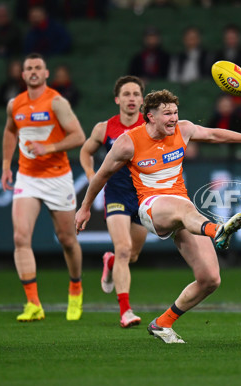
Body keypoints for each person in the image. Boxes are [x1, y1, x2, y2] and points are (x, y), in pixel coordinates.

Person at [75, 89, 241, 343]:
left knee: (210, 279)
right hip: (151, 207)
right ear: (150, 117)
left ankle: (163, 323)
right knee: (184, 208)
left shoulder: (183, 129)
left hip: (183, 212)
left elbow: (213, 134)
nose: (174, 118)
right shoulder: (128, 142)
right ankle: (217, 230)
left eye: (176, 112)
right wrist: (85, 207)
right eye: (167, 113)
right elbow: (101, 175)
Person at [1, 53, 86, 322]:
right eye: (29, 68)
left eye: (38, 67)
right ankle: (33, 304)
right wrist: (6, 165)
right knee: (20, 238)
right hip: (27, 177)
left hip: (57, 177)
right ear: (23, 74)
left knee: (67, 240)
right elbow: (10, 131)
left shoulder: (57, 102)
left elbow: (79, 136)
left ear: (46, 73)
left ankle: (75, 289)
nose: (34, 71)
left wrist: (48, 147)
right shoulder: (15, 104)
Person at [79, 76, 148, 328]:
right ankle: (125, 311)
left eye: (136, 94)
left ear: (142, 100)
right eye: (126, 94)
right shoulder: (104, 128)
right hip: (116, 194)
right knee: (123, 249)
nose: (131, 98)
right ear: (117, 99)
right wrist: (92, 176)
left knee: (133, 255)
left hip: (142, 197)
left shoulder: (150, 126)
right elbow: (85, 151)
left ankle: (109, 262)